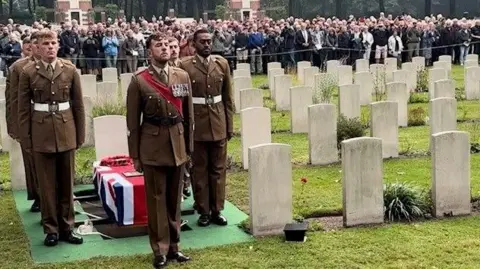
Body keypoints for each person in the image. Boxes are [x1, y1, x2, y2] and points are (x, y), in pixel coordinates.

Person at [126, 32, 194, 269]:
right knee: (156, 201)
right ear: (149, 52)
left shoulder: (182, 76)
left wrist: (189, 147)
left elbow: (188, 116)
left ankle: (175, 246)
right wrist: (135, 155)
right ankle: (160, 249)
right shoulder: (139, 81)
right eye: (158, 45)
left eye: (166, 45)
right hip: (152, 146)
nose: (164, 48)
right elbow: (133, 123)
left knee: (174, 199)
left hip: (177, 144)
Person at [17, 29, 85, 247]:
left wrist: (80, 135)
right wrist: (26, 138)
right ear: (37, 47)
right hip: (41, 131)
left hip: (66, 130)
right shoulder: (28, 72)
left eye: (53, 43)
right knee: (46, 185)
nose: (50, 47)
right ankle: (51, 229)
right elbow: (23, 109)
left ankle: (68, 227)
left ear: (58, 45)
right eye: (45, 44)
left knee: (66, 182)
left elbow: (78, 106)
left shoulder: (69, 69)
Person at [179, 28, 233, 227]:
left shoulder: (221, 64)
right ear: (194, 44)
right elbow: (182, 101)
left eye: (209, 41)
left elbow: (228, 97)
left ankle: (217, 209)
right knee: (199, 169)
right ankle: (203, 210)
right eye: (202, 42)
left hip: (218, 122)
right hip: (197, 125)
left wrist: (229, 125)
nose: (207, 45)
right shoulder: (185, 66)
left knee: (218, 169)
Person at [6, 33, 41, 213]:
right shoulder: (17, 68)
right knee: (31, 161)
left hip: (45, 119)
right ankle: (37, 196)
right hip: (25, 119)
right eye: (28, 46)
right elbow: (12, 99)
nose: (31, 49)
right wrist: (13, 126)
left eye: (34, 45)